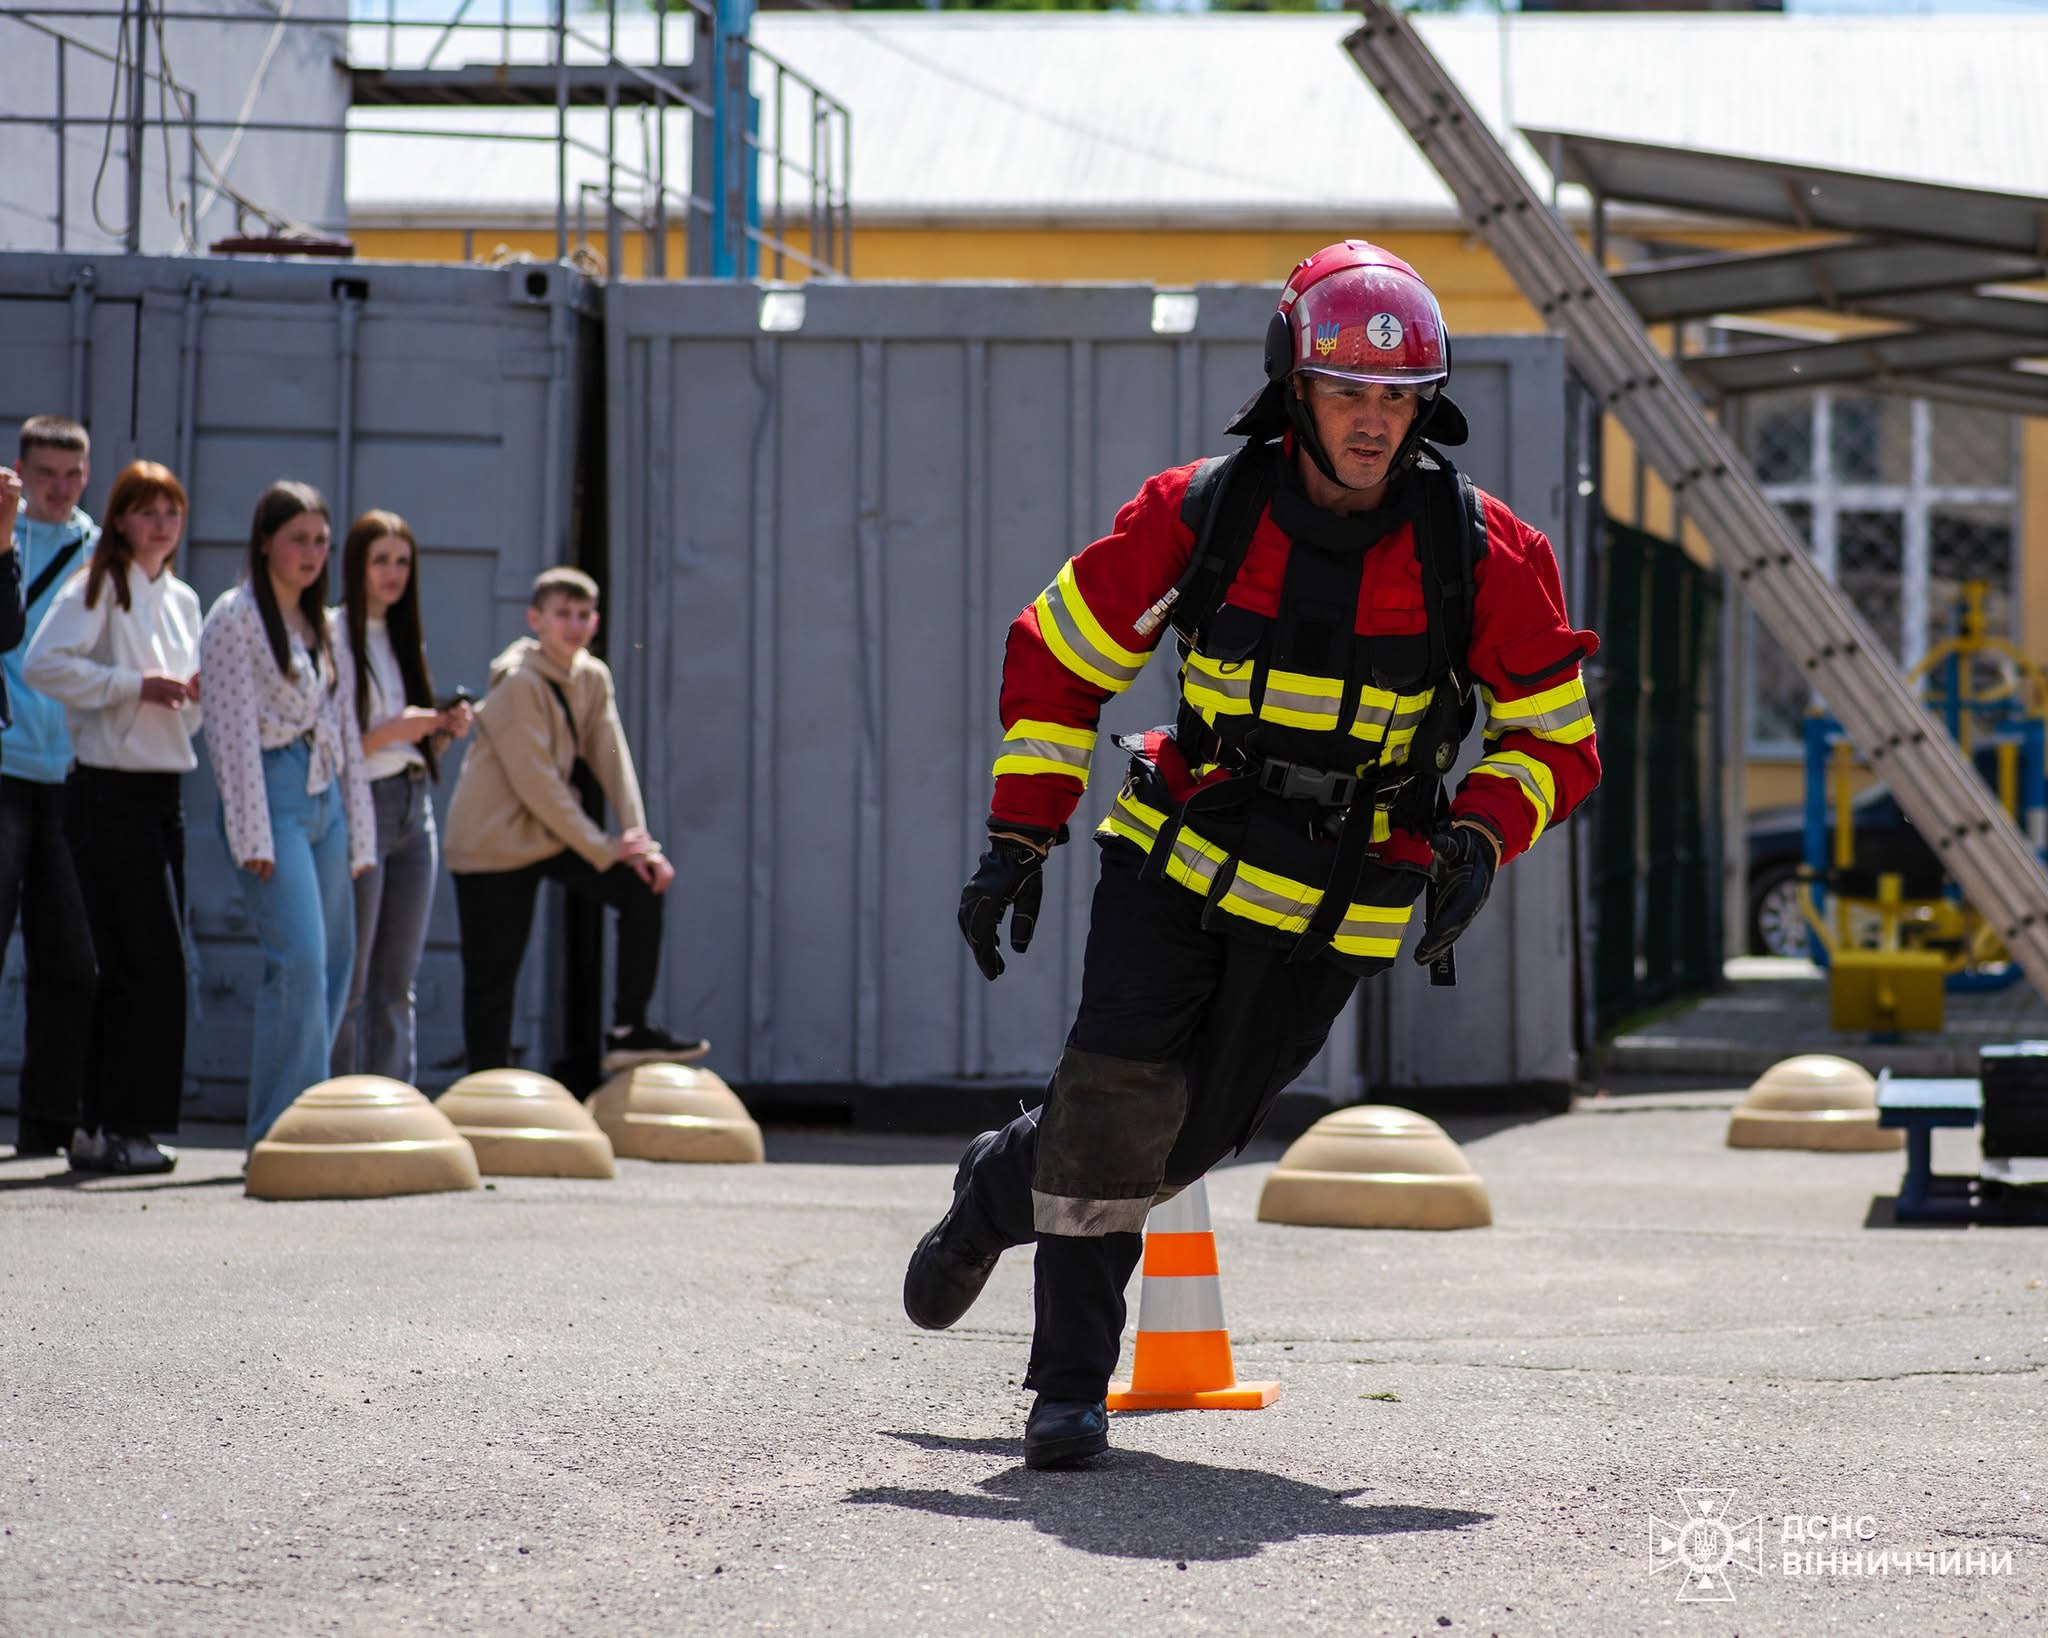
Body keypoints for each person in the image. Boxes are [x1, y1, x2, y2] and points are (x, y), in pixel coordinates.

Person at [904, 242, 1603, 1469]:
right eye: (1348, 393)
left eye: (1397, 399)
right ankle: (1066, 1391)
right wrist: (1021, 833)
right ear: (1294, 387)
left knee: (1178, 1147)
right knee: (1116, 1096)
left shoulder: (1482, 551)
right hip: (1173, 850)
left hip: (1333, 899)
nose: (1374, 423)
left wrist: (1477, 835)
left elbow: (1554, 738)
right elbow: (1059, 660)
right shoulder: (1197, 511)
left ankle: (994, 1185)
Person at [444, 566, 705, 1078]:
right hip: (492, 841)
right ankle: (484, 1089)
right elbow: (536, 783)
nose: (574, 625)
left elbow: (611, 754)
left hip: (550, 835)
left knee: (641, 886)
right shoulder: (519, 684)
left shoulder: (591, 677)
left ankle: (629, 1031)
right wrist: (601, 845)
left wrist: (640, 844)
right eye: (562, 614)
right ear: (535, 620)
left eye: (584, 615)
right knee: (493, 977)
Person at [24, 460, 203, 1174]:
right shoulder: (96, 583)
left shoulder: (184, 600)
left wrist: (183, 697)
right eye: (147, 511)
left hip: (164, 790)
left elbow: (189, 703)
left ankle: (105, 1123)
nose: (162, 525)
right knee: (143, 960)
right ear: (122, 519)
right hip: (106, 791)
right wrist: (132, 686)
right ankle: (117, 1125)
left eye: (173, 512)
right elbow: (44, 663)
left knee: (145, 964)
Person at [201, 481, 375, 1146]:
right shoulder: (233, 617)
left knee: (336, 959)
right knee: (297, 958)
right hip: (271, 795)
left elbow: (346, 734)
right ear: (266, 540)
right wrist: (251, 830)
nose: (310, 553)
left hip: (324, 792)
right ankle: (277, 1131)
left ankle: (308, 1115)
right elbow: (229, 734)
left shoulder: (325, 624)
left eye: (320, 541)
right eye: (297, 538)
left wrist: (357, 831)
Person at [329, 510, 473, 1085]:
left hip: (416, 805)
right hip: (363, 804)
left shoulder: (404, 633)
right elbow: (340, 745)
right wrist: (399, 728)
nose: (393, 574)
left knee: (398, 981)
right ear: (356, 565)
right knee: (353, 977)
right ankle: (335, 1105)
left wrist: (439, 726)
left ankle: (392, 1108)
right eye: (381, 560)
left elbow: (400, 732)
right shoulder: (334, 633)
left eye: (403, 562)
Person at [0, 417, 98, 1159]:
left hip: (69, 775)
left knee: (69, 959)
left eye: (73, 472)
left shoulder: (104, 557)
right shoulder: (1, 540)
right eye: (46, 473)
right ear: (21, 473)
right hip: (2, 771)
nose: (59, 487)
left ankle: (48, 1124)